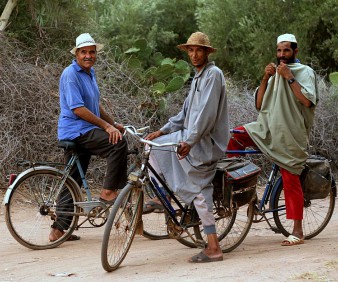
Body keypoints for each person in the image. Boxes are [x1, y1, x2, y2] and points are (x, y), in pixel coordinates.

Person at [145, 32, 229, 262]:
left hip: (204, 144)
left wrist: (189, 141)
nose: (194, 55)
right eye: (190, 50)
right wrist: (162, 131)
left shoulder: (213, 75)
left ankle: (214, 247)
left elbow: (206, 116)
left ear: (206, 52)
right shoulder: (198, 77)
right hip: (190, 138)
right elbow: (185, 114)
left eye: (198, 50)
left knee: (199, 190)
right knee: (154, 147)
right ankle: (163, 198)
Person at [227, 33, 318, 246]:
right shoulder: (275, 73)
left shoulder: (305, 72)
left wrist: (289, 77)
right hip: (265, 128)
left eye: (286, 50)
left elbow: (306, 101)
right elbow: (259, 106)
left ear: (296, 51)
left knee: (290, 177)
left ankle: (297, 231)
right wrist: (265, 78)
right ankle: (240, 188)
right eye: (279, 51)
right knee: (234, 137)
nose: (281, 55)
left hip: (290, 134)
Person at [49, 33, 128, 242]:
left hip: (82, 129)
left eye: (91, 52)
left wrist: (113, 124)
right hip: (77, 129)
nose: (88, 56)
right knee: (118, 143)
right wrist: (107, 128)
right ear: (76, 53)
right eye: (84, 52)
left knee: (72, 179)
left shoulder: (89, 73)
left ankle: (58, 231)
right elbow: (78, 109)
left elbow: (95, 105)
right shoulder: (70, 74)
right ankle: (108, 192)